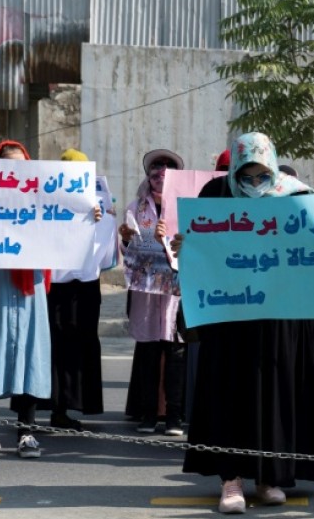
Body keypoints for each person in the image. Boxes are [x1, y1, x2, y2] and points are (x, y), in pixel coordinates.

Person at [177, 132, 314, 513]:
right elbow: (200, 245)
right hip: (230, 318)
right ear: (234, 171)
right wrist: (185, 245)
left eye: (262, 174)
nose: (254, 182)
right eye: (246, 175)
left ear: (274, 168)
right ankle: (231, 479)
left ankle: (267, 478)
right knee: (230, 391)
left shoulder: (296, 196)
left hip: (279, 317)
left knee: (274, 393)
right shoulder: (216, 195)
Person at [0, 140, 102, 460]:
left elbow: (64, 230)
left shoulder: (41, 198)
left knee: (29, 356)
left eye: (21, 165)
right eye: (7, 165)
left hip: (32, 286)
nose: (14, 171)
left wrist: (86, 217)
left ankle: (26, 433)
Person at [119, 149, 186, 436]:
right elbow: (128, 251)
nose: (162, 170)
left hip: (176, 292)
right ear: (148, 173)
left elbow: (194, 244)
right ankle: (148, 414)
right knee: (147, 353)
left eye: (169, 166)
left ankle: (174, 416)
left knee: (176, 354)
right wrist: (125, 239)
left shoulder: (185, 206)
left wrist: (169, 242)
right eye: (157, 165)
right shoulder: (136, 207)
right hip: (146, 291)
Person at [44, 148, 111, 431]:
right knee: (54, 347)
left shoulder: (99, 204)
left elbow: (106, 254)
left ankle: (69, 407)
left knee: (81, 346)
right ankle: (52, 409)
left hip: (85, 287)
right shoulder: (47, 202)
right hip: (57, 286)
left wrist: (104, 219)